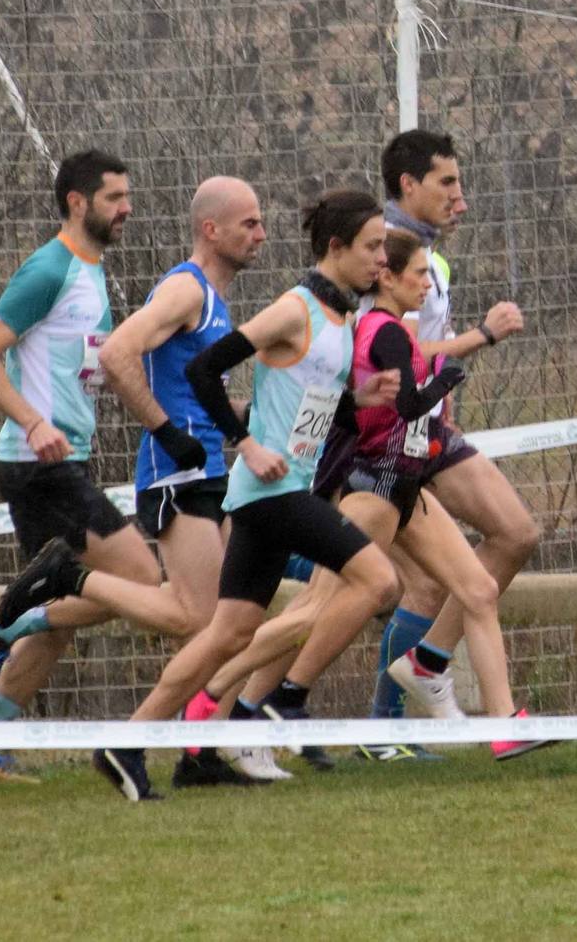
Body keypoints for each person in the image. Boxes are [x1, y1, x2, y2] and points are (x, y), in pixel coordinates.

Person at [191, 229, 552, 762]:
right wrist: (444, 380)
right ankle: (222, 697)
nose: (428, 285)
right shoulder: (383, 332)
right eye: (421, 274)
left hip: (407, 485)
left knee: (477, 589)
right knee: (316, 611)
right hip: (375, 488)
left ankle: (502, 725)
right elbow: (405, 407)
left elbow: (383, 406)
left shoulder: (386, 332)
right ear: (387, 276)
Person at [93, 189, 402, 801]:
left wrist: (355, 402)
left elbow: (301, 401)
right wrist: (245, 443)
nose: (382, 260)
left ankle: (127, 742)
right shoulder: (295, 308)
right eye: (371, 247)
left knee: (227, 633)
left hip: (268, 495)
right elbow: (203, 369)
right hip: (271, 489)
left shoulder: (341, 318)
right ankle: (283, 697)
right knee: (380, 582)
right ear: (336, 248)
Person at [0, 150, 200, 789]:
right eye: (115, 197)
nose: (127, 208)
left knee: (58, 617)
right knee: (140, 582)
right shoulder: (49, 268)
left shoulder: (91, 271)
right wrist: (33, 420)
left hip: (60, 463)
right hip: (37, 466)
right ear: (78, 202)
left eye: (127, 195)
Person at [356, 128, 534, 761]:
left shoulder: (430, 258)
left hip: (427, 432)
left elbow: (424, 353)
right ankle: (378, 722)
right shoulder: (385, 254)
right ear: (409, 185)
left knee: (507, 541)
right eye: (447, 183)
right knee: (378, 593)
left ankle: (424, 669)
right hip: (389, 442)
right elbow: (395, 358)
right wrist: (483, 335)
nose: (460, 197)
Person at [97, 175, 267, 789]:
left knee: (230, 622)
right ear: (210, 229)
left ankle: (199, 754)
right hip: (176, 473)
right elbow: (116, 354)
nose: (261, 234)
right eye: (249, 223)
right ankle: (131, 744)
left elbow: (201, 394)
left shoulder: (217, 304)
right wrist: (167, 432)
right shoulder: (184, 289)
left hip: (211, 472)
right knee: (203, 621)